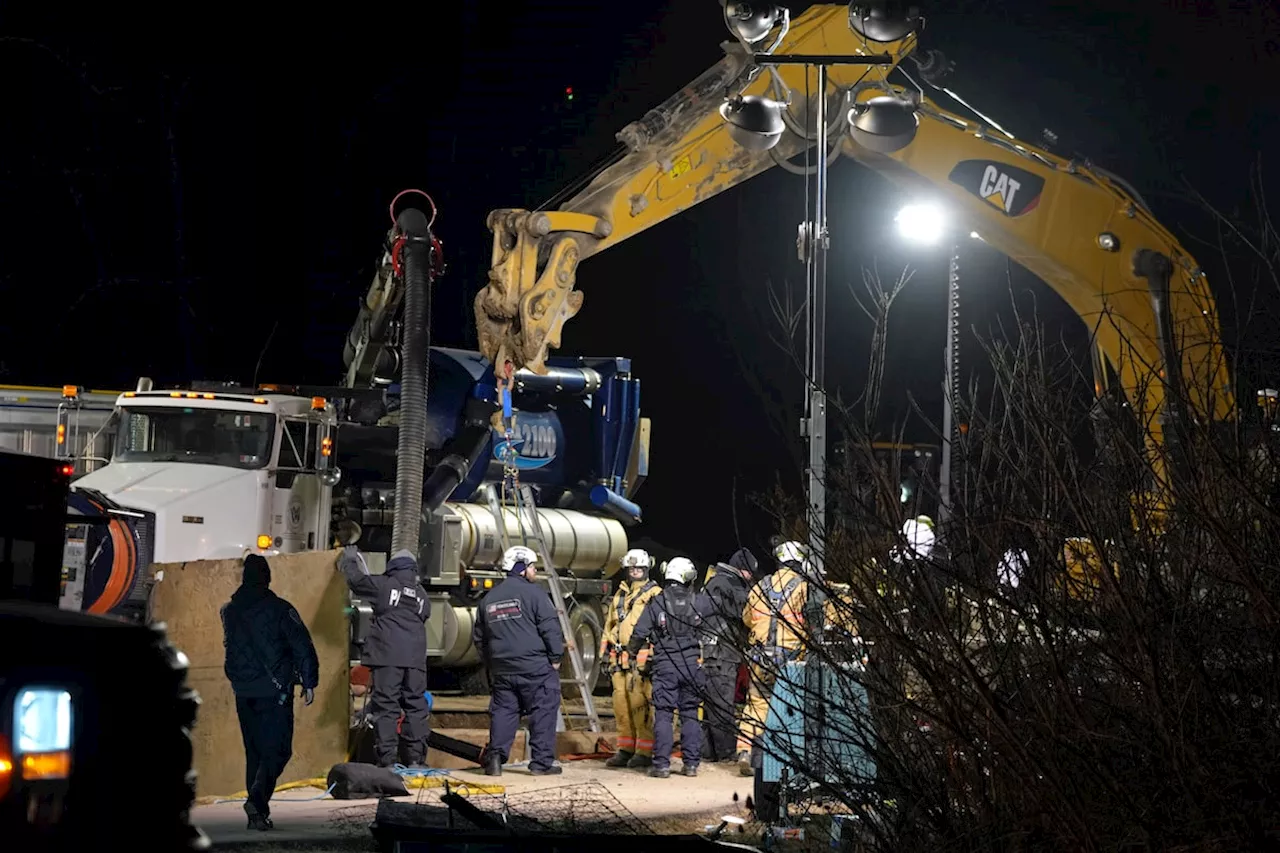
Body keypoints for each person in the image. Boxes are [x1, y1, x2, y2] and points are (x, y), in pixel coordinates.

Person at [220, 553, 319, 832]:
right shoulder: (280, 609)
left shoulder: (229, 610)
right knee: (278, 751)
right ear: (267, 578)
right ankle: (256, 800)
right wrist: (309, 682)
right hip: (274, 691)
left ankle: (257, 815)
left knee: (254, 752)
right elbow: (302, 645)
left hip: (243, 691)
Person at [472, 545, 565, 777]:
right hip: (534, 667)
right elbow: (550, 628)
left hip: (502, 669)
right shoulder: (535, 595)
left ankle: (495, 758)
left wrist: (492, 664)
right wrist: (555, 658)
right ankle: (541, 763)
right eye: (533, 567)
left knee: (504, 711)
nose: (535, 571)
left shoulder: (489, 599)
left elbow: (479, 638)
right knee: (543, 709)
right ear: (522, 568)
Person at [340, 545, 431, 769]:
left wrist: (349, 558)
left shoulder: (384, 585)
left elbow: (356, 581)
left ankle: (388, 760)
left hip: (388, 655)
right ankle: (415, 760)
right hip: (416, 658)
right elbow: (425, 615)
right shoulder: (421, 594)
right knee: (416, 705)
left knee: (386, 705)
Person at [626, 556, 709, 778]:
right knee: (690, 714)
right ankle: (691, 765)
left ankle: (661, 765)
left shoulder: (658, 602)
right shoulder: (700, 601)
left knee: (663, 714)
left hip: (665, 667)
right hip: (692, 666)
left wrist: (631, 652)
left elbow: (639, 633)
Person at [737, 539, 812, 776]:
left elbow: (747, 619)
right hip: (790, 660)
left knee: (756, 704)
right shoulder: (803, 587)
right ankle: (781, 760)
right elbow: (815, 622)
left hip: (759, 656)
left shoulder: (760, 586)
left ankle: (746, 751)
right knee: (788, 707)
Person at [599, 548, 662, 768]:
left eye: (639, 568)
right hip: (619, 658)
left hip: (641, 658)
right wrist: (604, 654)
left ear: (646, 568)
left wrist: (654, 657)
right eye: (631, 568)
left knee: (640, 706)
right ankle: (625, 748)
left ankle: (643, 752)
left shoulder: (654, 594)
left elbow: (658, 628)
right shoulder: (620, 593)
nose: (635, 571)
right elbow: (610, 625)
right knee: (621, 706)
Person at [698, 547, 757, 763]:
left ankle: (707, 751)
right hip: (723, 653)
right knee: (722, 703)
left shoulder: (714, 582)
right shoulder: (732, 586)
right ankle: (725, 751)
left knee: (710, 703)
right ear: (744, 571)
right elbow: (746, 612)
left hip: (709, 651)